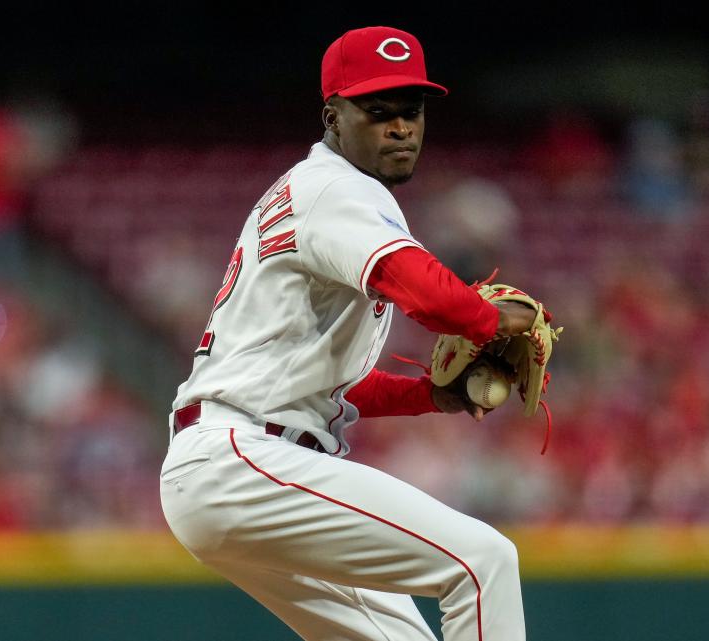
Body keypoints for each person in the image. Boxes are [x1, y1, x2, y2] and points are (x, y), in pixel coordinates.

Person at [160, 26, 537, 641]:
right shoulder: (337, 187)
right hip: (247, 461)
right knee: (483, 563)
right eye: (377, 110)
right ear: (333, 116)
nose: (400, 127)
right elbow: (419, 289)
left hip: (236, 467)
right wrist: (492, 318)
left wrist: (431, 395)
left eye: (410, 112)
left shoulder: (317, 196)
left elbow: (328, 386)